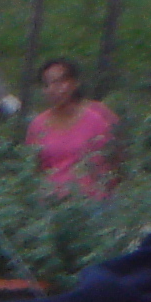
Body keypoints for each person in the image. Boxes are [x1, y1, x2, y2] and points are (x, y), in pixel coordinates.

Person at [24, 57, 119, 198]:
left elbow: (114, 158)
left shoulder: (98, 117)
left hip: (92, 202)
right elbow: (32, 168)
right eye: (47, 84)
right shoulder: (38, 125)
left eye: (59, 82)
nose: (53, 90)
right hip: (52, 202)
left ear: (75, 83)